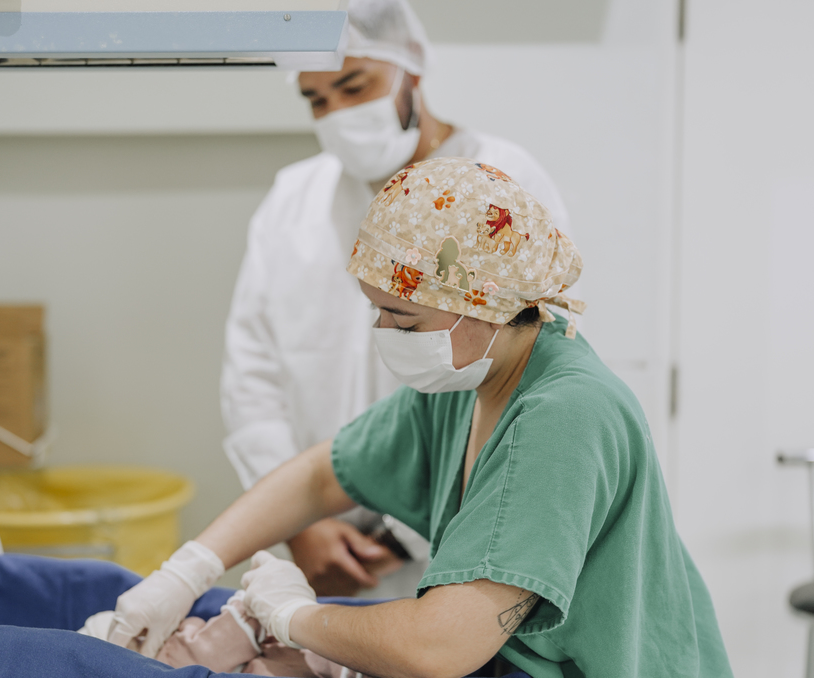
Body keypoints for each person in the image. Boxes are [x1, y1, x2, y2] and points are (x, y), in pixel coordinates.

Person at [104, 159, 786, 678]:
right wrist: (187, 571)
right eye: (377, 310)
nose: (384, 330)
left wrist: (293, 618)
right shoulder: (468, 384)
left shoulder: (563, 416)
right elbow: (321, 477)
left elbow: (439, 645)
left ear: (485, 304)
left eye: (402, 317)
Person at [221, 0, 571, 597]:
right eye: (316, 99)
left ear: (412, 66)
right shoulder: (293, 201)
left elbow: (535, 364)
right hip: (315, 544)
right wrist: (300, 523)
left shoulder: (500, 181)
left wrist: (402, 536)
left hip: (462, 538)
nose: (337, 113)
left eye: (354, 86)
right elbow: (251, 375)